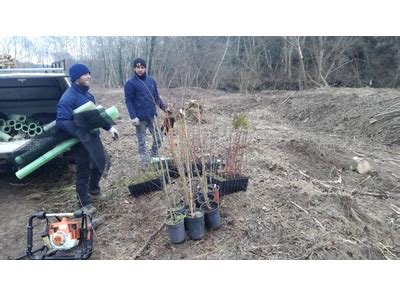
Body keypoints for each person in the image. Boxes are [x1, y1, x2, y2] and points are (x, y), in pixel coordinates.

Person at [56, 63, 119, 216]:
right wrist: (79, 132)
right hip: (80, 141)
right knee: (83, 170)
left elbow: (94, 117)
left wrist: (110, 128)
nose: (89, 76)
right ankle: (84, 203)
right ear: (77, 77)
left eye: (89, 73)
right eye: (85, 74)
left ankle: (93, 189)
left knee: (102, 162)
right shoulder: (68, 98)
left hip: (92, 137)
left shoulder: (88, 95)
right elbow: (61, 121)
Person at [124, 58, 171, 166]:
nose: (140, 69)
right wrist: (133, 116)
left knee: (159, 138)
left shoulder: (151, 81)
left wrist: (165, 108)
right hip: (139, 118)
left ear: (145, 68)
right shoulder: (130, 83)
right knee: (142, 141)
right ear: (134, 68)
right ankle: (144, 161)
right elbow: (128, 101)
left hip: (152, 116)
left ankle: (153, 155)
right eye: (137, 67)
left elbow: (156, 98)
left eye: (142, 67)